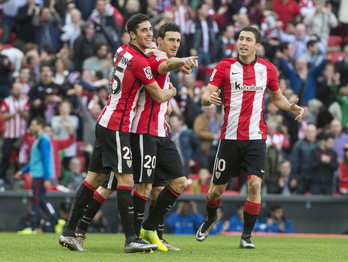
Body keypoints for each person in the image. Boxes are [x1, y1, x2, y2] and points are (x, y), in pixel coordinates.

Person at [58, 14, 181, 253]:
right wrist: (173, 90)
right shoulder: (139, 62)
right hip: (118, 125)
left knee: (93, 180)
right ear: (132, 34)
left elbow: (152, 62)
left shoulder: (122, 51)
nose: (148, 34)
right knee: (126, 181)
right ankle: (131, 239)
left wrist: (155, 54)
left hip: (105, 120)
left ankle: (69, 232)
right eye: (143, 31)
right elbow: (158, 93)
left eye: (150, 30)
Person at [195, 26, 304, 249]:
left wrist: (291, 108)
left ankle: (246, 237)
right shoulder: (225, 66)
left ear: (257, 45)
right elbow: (206, 95)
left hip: (256, 137)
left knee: (255, 185)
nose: (242, 42)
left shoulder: (267, 69)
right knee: (216, 190)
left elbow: (278, 99)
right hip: (229, 137)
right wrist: (208, 100)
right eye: (240, 38)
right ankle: (210, 218)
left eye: (248, 39)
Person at [14, 117, 64, 234]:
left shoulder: (43, 140)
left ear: (40, 126)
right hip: (38, 174)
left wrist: (47, 178)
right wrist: (23, 171)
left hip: (40, 175)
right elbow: (36, 161)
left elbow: (46, 160)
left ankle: (32, 227)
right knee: (39, 199)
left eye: (33, 124)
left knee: (35, 200)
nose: (31, 127)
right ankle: (57, 221)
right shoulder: (40, 140)